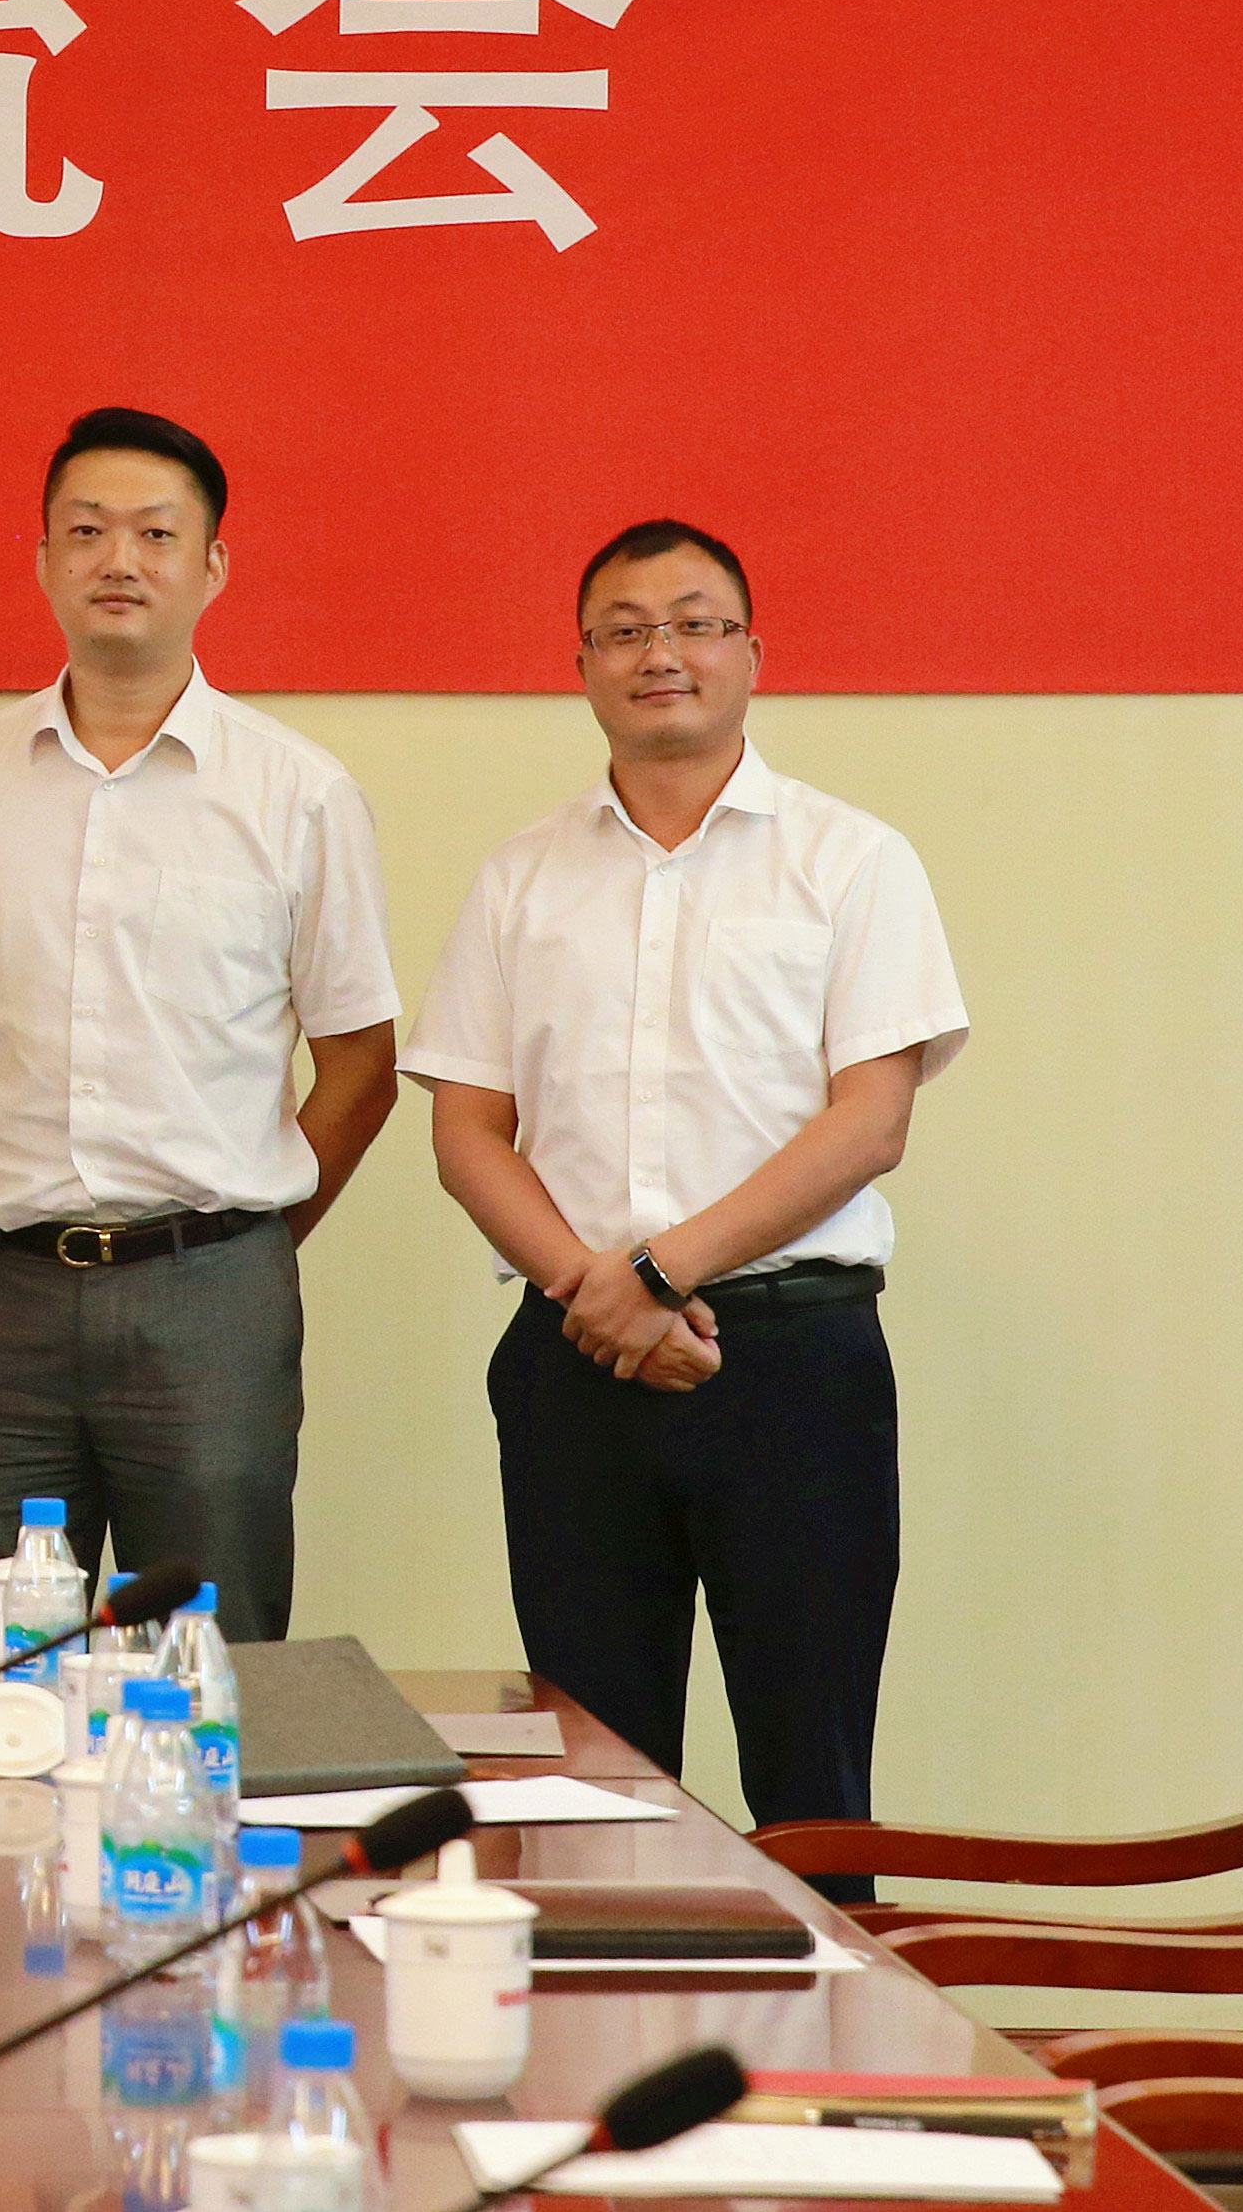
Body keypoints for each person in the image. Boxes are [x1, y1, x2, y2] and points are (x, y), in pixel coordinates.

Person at [403, 520, 968, 1823]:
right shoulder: (520, 876)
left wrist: (655, 1274)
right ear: (582, 665)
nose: (660, 651)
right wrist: (595, 1294)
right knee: (589, 1782)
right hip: (572, 1362)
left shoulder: (849, 859)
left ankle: (818, 1971)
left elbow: (869, 1121)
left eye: (694, 622)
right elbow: (466, 1131)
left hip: (793, 1367)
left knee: (810, 1775)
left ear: (750, 652)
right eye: (624, 629)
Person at [0, 409, 398, 1660]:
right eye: (86, 531)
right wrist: (14, 1173)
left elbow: (360, 1062)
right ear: (43, 559)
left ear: (211, 567)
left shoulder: (296, 791)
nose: (119, 560)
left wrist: (238, 1237)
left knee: (208, 1669)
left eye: (156, 535)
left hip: (208, 1302)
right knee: (0, 1678)